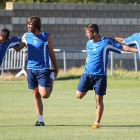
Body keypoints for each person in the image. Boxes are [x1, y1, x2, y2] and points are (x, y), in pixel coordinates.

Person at [76, 23, 138, 129]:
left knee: (99, 100)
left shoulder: (106, 42)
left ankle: (97, 123)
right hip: (87, 74)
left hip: (100, 76)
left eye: (87, 32)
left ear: (94, 33)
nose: (86, 35)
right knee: (79, 95)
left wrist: (137, 50)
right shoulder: (88, 43)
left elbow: (122, 47)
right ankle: (89, 87)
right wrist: (85, 66)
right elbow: (88, 55)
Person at [17, 16, 58, 126]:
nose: (28, 26)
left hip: (43, 69)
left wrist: (56, 69)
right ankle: (40, 121)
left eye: (30, 24)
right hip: (30, 69)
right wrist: (6, 40)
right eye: (28, 24)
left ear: (36, 25)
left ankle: (51, 76)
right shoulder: (26, 36)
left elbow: (52, 53)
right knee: (36, 95)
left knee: (44, 95)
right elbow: (17, 48)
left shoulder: (46, 36)